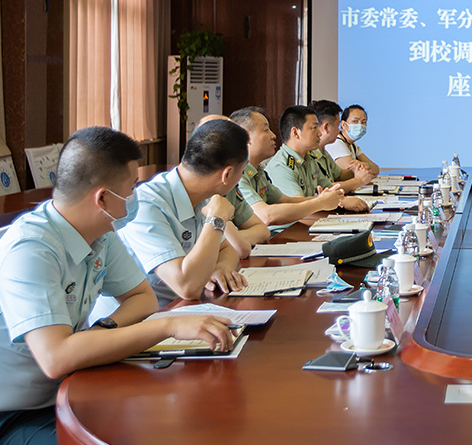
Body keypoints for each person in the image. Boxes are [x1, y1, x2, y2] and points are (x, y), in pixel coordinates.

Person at [0, 127, 234, 445]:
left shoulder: (98, 233)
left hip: (46, 406)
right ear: (103, 198)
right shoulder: (31, 249)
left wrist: (102, 330)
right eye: (131, 189)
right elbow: (56, 358)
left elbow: (142, 298)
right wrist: (167, 326)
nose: (134, 198)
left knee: (172, 437)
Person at [117, 119, 251, 304]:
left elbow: (227, 248)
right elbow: (187, 287)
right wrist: (216, 219)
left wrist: (221, 267)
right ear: (226, 174)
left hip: (181, 309)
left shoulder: (203, 195)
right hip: (143, 317)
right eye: (242, 171)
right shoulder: (147, 205)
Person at [231, 106, 345, 229]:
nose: (273, 135)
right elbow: (266, 216)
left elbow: (286, 200)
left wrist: (325, 199)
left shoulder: (258, 171)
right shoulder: (237, 175)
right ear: (246, 137)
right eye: (266, 130)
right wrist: (319, 202)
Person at [266, 105, 369, 214]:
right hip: (296, 223)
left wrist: (340, 199)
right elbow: (297, 208)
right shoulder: (281, 167)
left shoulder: (309, 159)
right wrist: (341, 201)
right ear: (295, 133)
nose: (319, 133)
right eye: (314, 128)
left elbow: (329, 188)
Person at [195, 113, 272, 258]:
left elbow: (262, 231)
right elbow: (240, 247)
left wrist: (224, 240)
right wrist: (230, 240)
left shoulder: (228, 185)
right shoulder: (204, 189)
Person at [311, 99, 375, 198]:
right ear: (326, 127)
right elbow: (327, 188)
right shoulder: (311, 154)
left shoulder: (323, 152)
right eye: (337, 126)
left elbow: (340, 175)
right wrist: (358, 181)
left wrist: (358, 168)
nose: (339, 131)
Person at [325, 103, 380, 176]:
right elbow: (354, 172)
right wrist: (366, 166)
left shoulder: (353, 145)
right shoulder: (336, 143)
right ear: (344, 124)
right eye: (355, 121)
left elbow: (376, 169)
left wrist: (367, 165)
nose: (360, 125)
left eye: (363, 122)